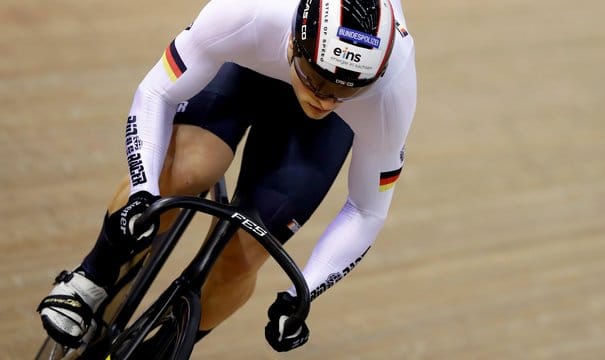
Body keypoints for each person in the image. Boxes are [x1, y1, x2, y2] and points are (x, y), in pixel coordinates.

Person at [37, 0, 416, 352]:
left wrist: (302, 294)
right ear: (293, 43)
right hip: (249, 63)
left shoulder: (390, 86)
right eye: (316, 81)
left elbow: (367, 210)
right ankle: (91, 278)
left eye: (342, 91)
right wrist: (143, 191)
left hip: (321, 118)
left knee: (246, 250)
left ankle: (163, 348)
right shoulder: (250, 11)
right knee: (187, 171)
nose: (324, 101)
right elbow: (157, 93)